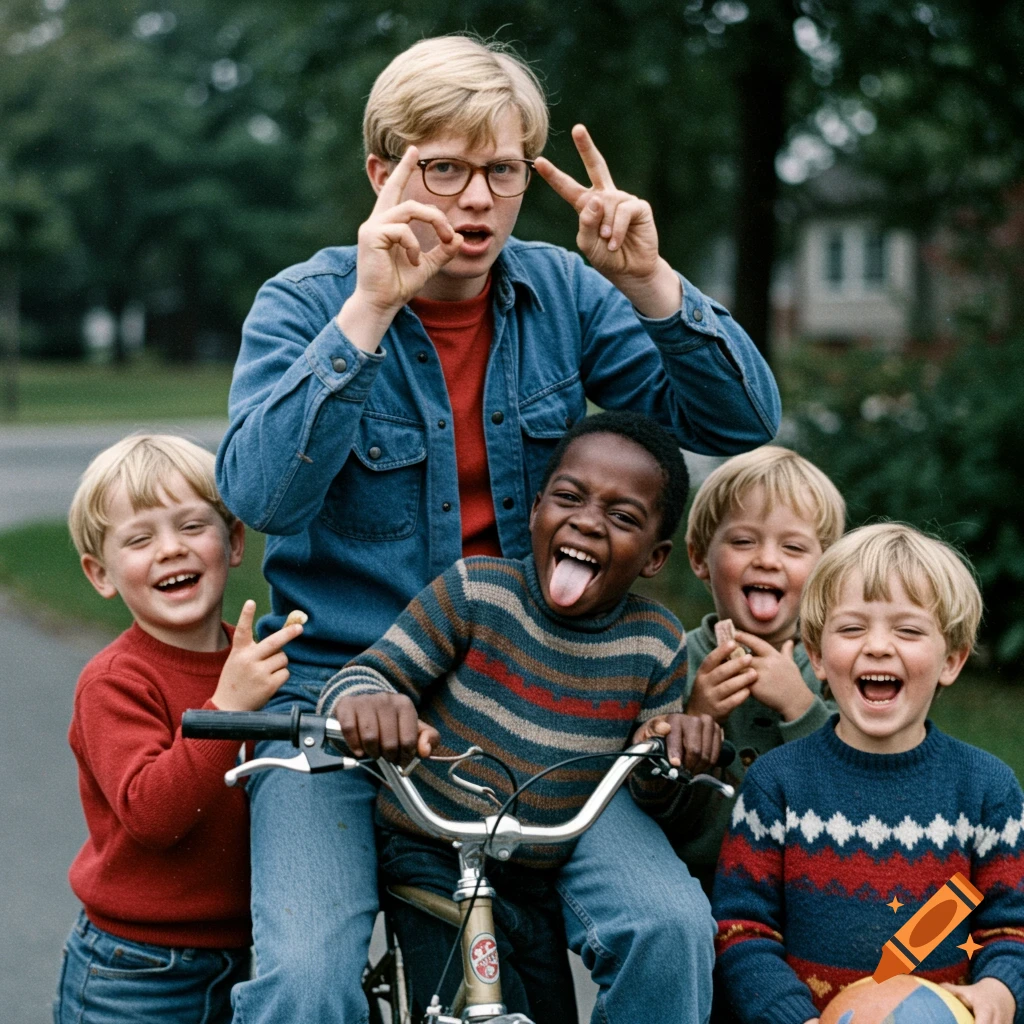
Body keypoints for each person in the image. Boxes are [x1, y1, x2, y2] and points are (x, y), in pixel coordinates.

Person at [215, 33, 780, 1023]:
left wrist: (648, 281)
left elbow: (738, 422)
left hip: (542, 694)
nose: (475, 202)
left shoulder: (562, 292)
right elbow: (261, 497)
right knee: (302, 976)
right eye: (443, 169)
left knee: (666, 927)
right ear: (382, 172)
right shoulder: (303, 303)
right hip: (337, 701)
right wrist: (366, 313)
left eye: (502, 172)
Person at [318, 411, 723, 1024]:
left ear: (654, 556)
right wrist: (369, 705)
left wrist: (670, 755)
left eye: (622, 517)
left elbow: (649, 779)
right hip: (432, 853)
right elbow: (369, 673)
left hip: (538, 869)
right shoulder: (478, 592)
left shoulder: (655, 643)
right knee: (458, 1009)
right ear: (535, 510)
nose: (587, 521)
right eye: (569, 497)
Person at [712, 523, 1024, 1024]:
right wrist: (790, 1016)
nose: (878, 646)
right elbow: (742, 928)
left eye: (908, 630)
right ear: (816, 657)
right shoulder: (778, 784)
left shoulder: (986, 789)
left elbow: (1011, 928)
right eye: (853, 628)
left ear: (952, 660)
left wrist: (999, 989)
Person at [54, 435, 303, 1024]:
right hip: (134, 970)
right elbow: (152, 813)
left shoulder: (255, 666)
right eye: (140, 539)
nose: (170, 550)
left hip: (244, 959)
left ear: (234, 541)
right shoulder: (114, 681)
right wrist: (226, 708)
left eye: (192, 526)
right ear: (101, 574)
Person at [666, 446, 845, 895]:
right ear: (700, 558)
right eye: (743, 541)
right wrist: (700, 716)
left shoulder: (835, 669)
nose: (767, 559)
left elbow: (853, 789)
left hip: (805, 890)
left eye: (793, 547)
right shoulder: (673, 660)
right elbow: (660, 811)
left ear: (825, 570)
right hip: (700, 889)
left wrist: (799, 704)